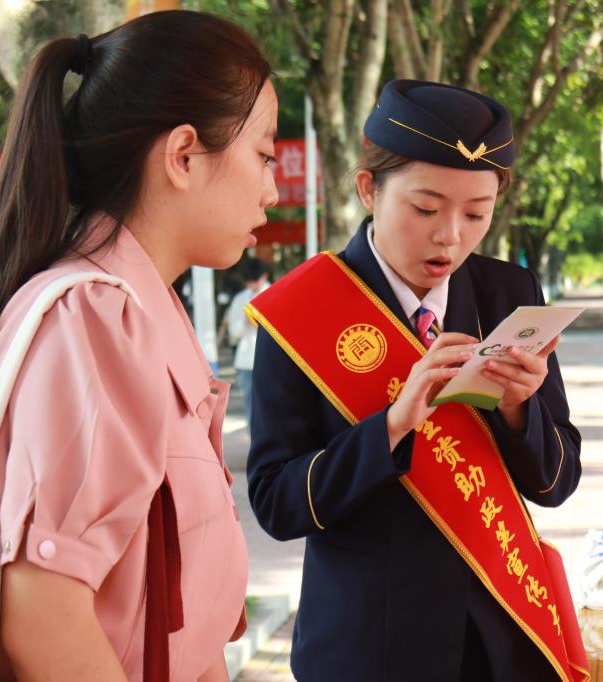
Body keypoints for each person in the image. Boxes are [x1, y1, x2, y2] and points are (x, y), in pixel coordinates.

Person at [0, 11, 278, 681]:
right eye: (263, 154)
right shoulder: (96, 318)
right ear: (183, 156)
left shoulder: (143, 308)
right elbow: (43, 612)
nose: (272, 188)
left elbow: (180, 617)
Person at [246, 80, 585, 681]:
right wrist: (393, 425)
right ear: (368, 189)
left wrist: (519, 409)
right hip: (370, 651)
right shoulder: (301, 310)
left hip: (499, 644)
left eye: (476, 213)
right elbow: (277, 503)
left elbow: (557, 483)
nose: (450, 235)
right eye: (426, 208)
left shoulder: (509, 294)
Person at [224, 257, 270, 428]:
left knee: (271, 408)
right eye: (249, 281)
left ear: (264, 276)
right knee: (250, 407)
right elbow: (233, 332)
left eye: (255, 281)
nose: (252, 285)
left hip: (270, 360)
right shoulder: (240, 299)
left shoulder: (275, 293)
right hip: (246, 361)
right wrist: (245, 322)